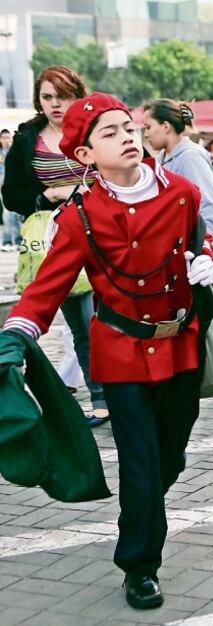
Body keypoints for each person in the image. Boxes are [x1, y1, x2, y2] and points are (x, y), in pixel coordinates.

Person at [2, 92, 213, 610]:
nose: (127, 137)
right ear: (85, 156)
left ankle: (141, 511)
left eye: (129, 126)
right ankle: (140, 564)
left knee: (170, 456)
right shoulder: (79, 216)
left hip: (182, 346)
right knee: (140, 462)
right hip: (120, 351)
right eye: (110, 133)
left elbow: (201, 242)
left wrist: (207, 262)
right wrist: (16, 333)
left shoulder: (182, 193)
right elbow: (47, 287)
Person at [0, 65, 107, 427]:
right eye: (47, 97)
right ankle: (101, 399)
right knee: (82, 324)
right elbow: (11, 195)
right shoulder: (27, 137)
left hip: (105, 234)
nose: (55, 104)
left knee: (110, 319)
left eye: (63, 96)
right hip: (53, 239)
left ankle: (126, 394)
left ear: (78, 95)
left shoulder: (97, 128)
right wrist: (48, 194)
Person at [142, 99, 213, 248]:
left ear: (166, 126)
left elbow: (208, 207)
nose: (146, 134)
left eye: (148, 127)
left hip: (195, 250)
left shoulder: (190, 157)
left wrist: (206, 248)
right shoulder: (160, 160)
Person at [1, 128, 22, 252]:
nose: (6, 140)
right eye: (3, 137)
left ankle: (15, 240)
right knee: (8, 213)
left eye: (8, 137)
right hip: (2, 186)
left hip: (12, 186)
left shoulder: (14, 152)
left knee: (14, 213)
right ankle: (8, 241)